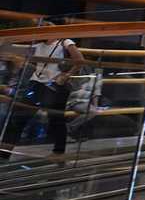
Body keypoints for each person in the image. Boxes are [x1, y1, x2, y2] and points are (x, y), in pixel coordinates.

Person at [0, 20, 84, 159]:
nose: (45, 29)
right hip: (37, 84)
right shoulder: (37, 46)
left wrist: (66, 75)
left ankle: (58, 152)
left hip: (55, 87)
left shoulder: (65, 42)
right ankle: (5, 151)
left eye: (48, 26)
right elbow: (14, 49)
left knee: (55, 118)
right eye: (43, 27)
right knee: (19, 116)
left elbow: (79, 60)